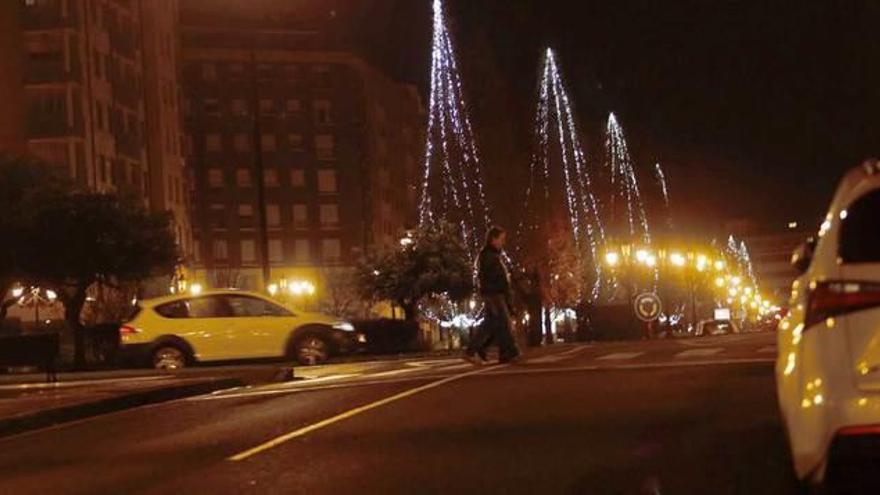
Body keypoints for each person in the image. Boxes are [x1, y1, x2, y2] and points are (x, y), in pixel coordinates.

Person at [465, 226, 521, 364]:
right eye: (501, 239)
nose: (503, 242)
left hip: (494, 293)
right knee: (503, 322)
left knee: (490, 324)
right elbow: (490, 277)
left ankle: (475, 350)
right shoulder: (488, 256)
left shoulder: (492, 255)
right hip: (494, 293)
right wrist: (501, 289)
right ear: (493, 239)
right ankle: (510, 351)